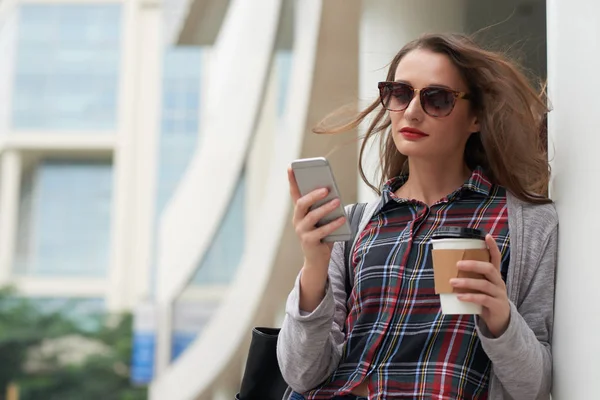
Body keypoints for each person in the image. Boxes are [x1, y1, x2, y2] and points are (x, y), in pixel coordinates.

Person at [277, 33, 557, 400]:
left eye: (437, 98)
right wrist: (314, 269)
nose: (411, 111)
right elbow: (301, 373)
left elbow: (533, 388)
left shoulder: (528, 225)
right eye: (400, 93)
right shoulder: (358, 222)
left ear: (475, 116)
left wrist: (500, 316)